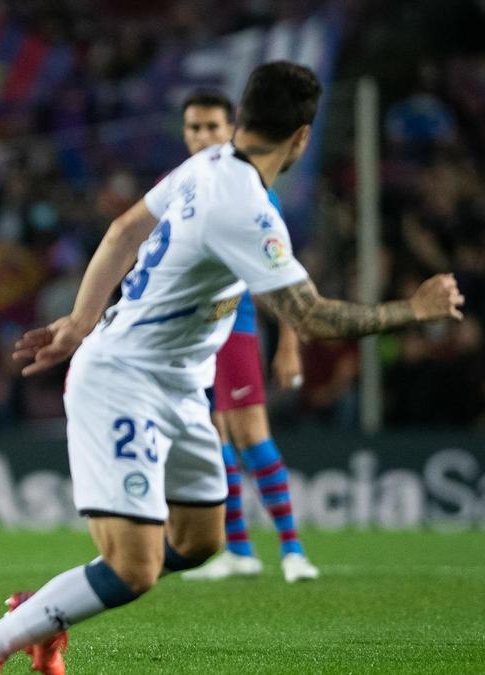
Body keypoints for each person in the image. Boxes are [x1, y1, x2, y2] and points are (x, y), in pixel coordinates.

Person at [0, 61, 463, 674]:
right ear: (302, 136)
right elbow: (313, 316)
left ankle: (45, 611)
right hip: (123, 381)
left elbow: (123, 229)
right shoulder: (245, 206)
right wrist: (415, 309)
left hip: (182, 387)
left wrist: (81, 318)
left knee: (200, 542)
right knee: (132, 570)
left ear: (242, 120)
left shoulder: (206, 165)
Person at [176, 91, 319, 583]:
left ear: (232, 130)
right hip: (187, 337)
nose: (202, 137)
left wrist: (288, 343)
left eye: (212, 127)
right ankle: (237, 549)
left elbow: (284, 279)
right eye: (194, 128)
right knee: (213, 441)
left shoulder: (255, 190)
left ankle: (293, 549)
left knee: (251, 433)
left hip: (233, 328)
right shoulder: (178, 187)